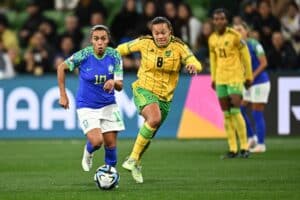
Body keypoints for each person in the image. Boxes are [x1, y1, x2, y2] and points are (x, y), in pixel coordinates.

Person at [116, 16, 202, 183]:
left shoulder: (179, 47)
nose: (160, 36)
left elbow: (194, 61)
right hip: (143, 89)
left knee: (150, 133)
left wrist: (192, 65)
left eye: (163, 32)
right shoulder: (144, 42)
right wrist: (102, 55)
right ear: (152, 33)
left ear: (170, 31)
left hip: (165, 98)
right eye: (156, 33)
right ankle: (132, 158)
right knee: (154, 118)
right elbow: (120, 49)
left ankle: (137, 162)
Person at [57, 25, 125, 173]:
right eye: (96, 39)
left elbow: (120, 85)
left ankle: (110, 176)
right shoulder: (84, 55)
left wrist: (113, 82)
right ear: (91, 41)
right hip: (86, 105)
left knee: (111, 144)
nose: (100, 42)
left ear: (108, 40)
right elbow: (61, 67)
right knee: (97, 141)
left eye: (103, 38)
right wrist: (63, 94)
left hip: (108, 104)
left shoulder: (115, 56)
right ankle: (88, 152)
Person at [208, 8, 253, 159]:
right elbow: (213, 60)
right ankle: (233, 148)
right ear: (213, 21)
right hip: (220, 79)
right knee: (226, 114)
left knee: (235, 111)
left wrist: (249, 75)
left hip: (235, 77)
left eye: (221, 18)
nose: (219, 21)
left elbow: (245, 54)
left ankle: (245, 147)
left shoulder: (235, 36)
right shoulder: (212, 39)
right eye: (216, 19)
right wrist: (213, 78)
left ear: (226, 21)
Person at [234, 22, 270, 153]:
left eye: (240, 29)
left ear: (246, 32)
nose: (237, 32)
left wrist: (252, 76)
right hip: (247, 83)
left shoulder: (255, 44)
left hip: (259, 82)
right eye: (235, 29)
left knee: (256, 112)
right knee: (239, 109)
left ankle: (261, 144)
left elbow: (264, 63)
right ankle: (251, 137)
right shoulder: (235, 47)